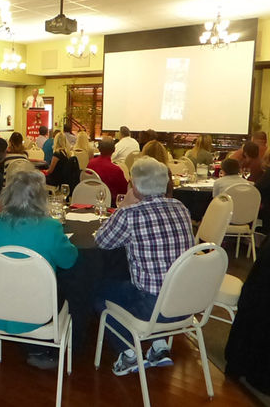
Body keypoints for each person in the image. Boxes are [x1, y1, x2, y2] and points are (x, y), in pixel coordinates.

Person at [0, 169, 78, 367]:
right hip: (40, 315)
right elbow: (69, 261)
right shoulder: (51, 228)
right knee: (72, 284)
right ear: (41, 198)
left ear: (6, 195)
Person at [94, 157, 194, 376]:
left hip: (152, 308)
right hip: (186, 303)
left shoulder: (130, 214)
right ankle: (159, 346)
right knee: (141, 281)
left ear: (135, 186)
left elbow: (102, 241)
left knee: (97, 290)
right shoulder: (181, 208)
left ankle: (129, 353)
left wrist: (124, 205)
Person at [86, 137, 128, 205]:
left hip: (90, 200)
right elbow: (124, 191)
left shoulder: (90, 164)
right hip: (110, 204)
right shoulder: (116, 170)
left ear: (99, 149)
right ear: (114, 150)